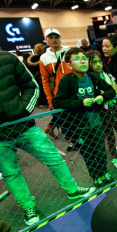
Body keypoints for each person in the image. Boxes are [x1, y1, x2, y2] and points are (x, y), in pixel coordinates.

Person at [0, 51, 95, 225]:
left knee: (53, 157)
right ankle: (28, 207)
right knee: (11, 173)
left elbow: (31, 85)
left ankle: (72, 189)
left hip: (24, 126)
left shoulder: (8, 58)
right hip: (0, 137)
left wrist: (23, 110)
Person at [52, 48, 116, 187]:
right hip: (79, 126)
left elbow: (111, 91)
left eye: (84, 58)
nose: (83, 61)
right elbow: (57, 102)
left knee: (100, 151)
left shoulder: (93, 77)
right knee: (88, 153)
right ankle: (96, 176)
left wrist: (102, 97)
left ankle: (104, 172)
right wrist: (80, 103)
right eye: (77, 59)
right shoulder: (67, 80)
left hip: (96, 122)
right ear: (69, 65)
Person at [39, 28, 72, 137]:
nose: (54, 40)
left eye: (56, 37)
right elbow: (45, 80)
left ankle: (52, 128)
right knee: (65, 121)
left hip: (75, 94)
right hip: (58, 96)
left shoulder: (70, 52)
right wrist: (50, 100)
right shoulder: (44, 58)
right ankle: (70, 137)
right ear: (46, 40)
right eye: (51, 37)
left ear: (60, 38)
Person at [27, 44, 48, 108]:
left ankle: (41, 102)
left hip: (35, 77)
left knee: (39, 90)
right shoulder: (45, 58)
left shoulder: (31, 60)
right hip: (44, 76)